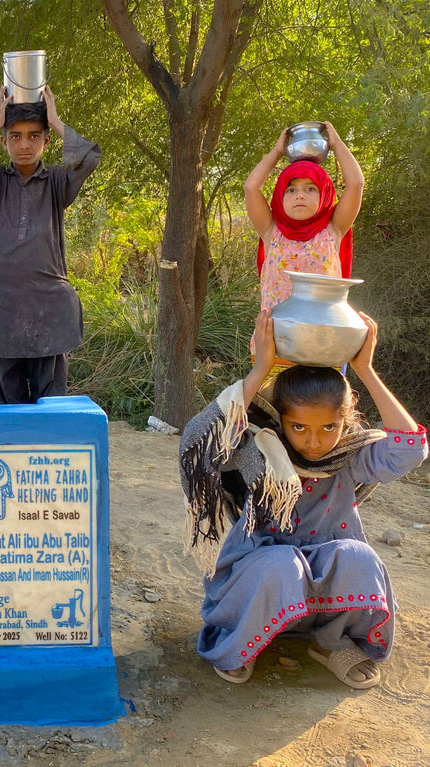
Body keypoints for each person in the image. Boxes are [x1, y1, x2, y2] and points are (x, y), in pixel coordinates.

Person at [179, 309, 426, 687]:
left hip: (323, 599)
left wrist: (365, 370)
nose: (314, 441)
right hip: (262, 586)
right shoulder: (257, 450)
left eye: (329, 427)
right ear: (280, 420)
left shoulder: (350, 456)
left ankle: (328, 643)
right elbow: (200, 440)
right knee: (282, 563)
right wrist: (260, 370)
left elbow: (410, 451)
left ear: (346, 421)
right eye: (298, 426)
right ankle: (242, 641)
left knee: (359, 557)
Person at [0, 86, 101, 405]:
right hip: (0, 309)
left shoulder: (58, 182)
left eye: (34, 136)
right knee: (6, 411)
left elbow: (90, 156)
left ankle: (45, 445)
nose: (25, 145)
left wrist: (55, 120)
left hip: (48, 311)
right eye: (15, 136)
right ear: (4, 142)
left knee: (50, 409)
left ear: (46, 141)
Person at [245, 122, 364, 313]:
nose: (300, 196)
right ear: (280, 197)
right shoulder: (271, 231)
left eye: (310, 189)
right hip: (276, 332)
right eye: (291, 190)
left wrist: (337, 144)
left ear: (324, 194)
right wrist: (277, 152)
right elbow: (251, 187)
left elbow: (356, 184)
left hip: (323, 331)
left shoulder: (333, 230)